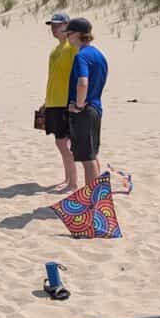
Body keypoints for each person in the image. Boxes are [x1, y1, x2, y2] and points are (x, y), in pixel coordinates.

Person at [65, 17, 109, 187]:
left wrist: (78, 104)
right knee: (92, 154)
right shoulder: (99, 55)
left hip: (85, 110)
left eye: (69, 34)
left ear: (77, 34)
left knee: (86, 158)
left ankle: (92, 200)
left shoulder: (81, 56)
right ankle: (97, 196)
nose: (68, 38)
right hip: (96, 108)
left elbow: (83, 82)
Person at [39, 13, 78, 192]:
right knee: (60, 142)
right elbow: (52, 78)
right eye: (52, 26)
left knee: (66, 143)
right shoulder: (55, 50)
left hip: (66, 101)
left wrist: (76, 99)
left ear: (67, 25)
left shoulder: (72, 47)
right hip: (54, 101)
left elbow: (78, 75)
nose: (53, 29)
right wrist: (46, 102)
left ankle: (74, 182)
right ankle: (68, 178)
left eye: (57, 25)